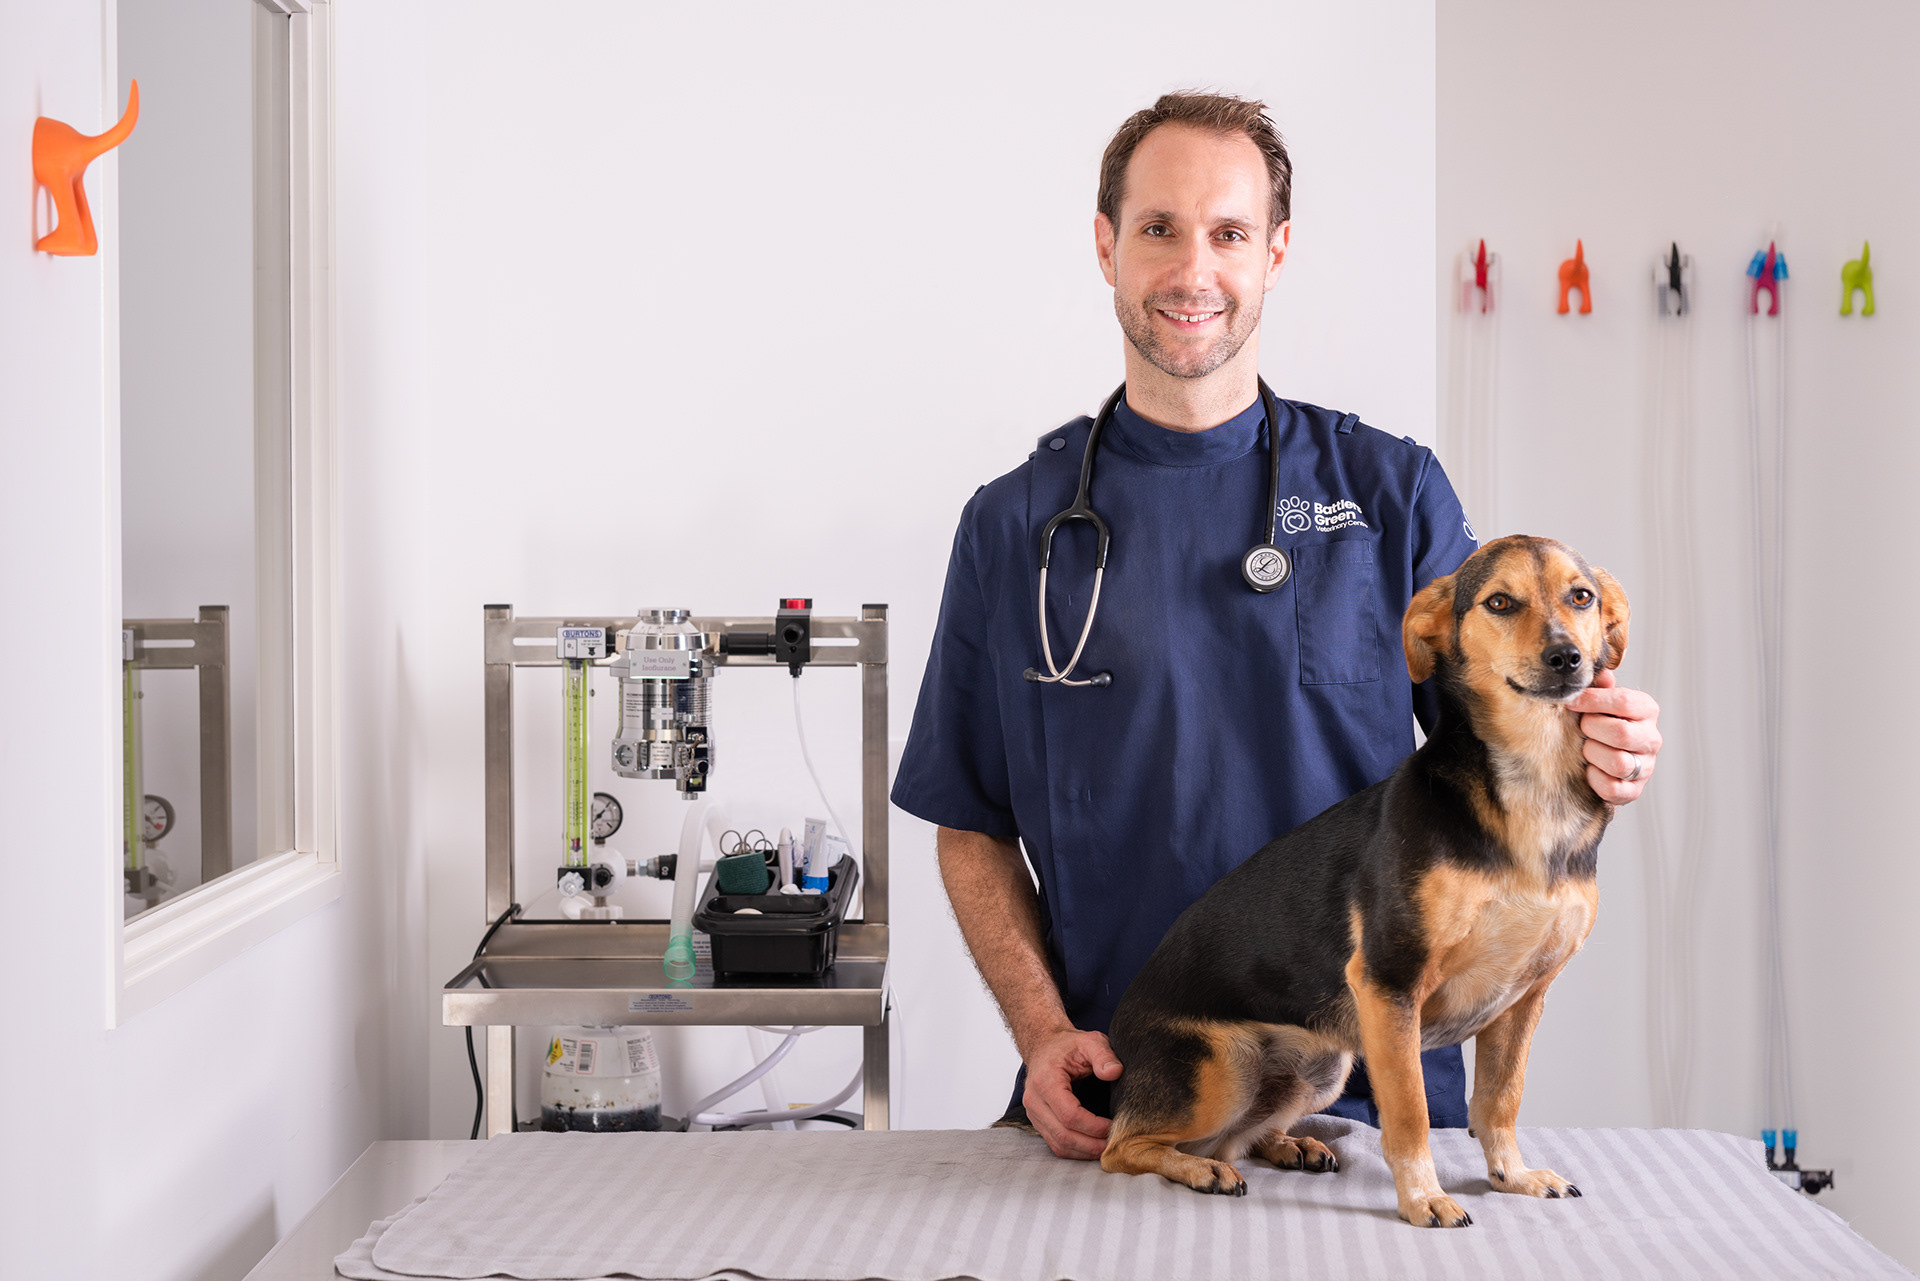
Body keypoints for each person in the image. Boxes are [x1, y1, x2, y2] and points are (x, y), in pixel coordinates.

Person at [889, 92, 1662, 1160]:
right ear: (1107, 245)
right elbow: (969, 821)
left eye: (1230, 233)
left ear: (1276, 253)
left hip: (1368, 1114)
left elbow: (1506, 732)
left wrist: (1602, 744)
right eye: (1158, 228)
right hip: (1141, 1094)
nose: (1192, 269)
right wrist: (1042, 1032)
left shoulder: (1390, 494)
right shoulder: (1014, 524)